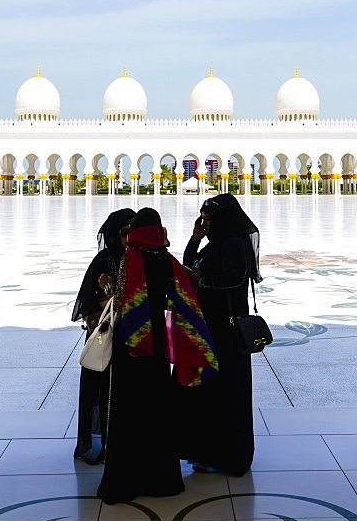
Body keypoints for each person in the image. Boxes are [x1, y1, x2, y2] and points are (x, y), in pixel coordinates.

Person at [97, 207, 218, 505]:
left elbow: (122, 300)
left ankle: (125, 481)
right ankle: (162, 480)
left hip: (131, 347)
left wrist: (107, 286)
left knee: (129, 412)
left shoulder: (130, 259)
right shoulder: (168, 261)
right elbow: (184, 298)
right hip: (158, 349)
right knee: (158, 411)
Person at [178, 193, 261, 476]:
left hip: (227, 332)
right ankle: (210, 452)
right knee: (211, 392)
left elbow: (237, 279)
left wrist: (205, 281)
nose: (205, 222)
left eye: (210, 218)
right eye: (204, 217)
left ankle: (231, 456)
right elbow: (191, 266)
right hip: (210, 328)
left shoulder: (235, 244)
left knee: (229, 394)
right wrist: (195, 239)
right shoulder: (213, 246)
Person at [72, 207, 136, 463]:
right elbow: (87, 299)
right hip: (106, 335)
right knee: (100, 390)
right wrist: (100, 312)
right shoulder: (105, 259)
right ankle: (99, 443)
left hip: (130, 335)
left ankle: (123, 441)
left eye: (133, 232)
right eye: (124, 233)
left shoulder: (138, 258)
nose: (128, 238)